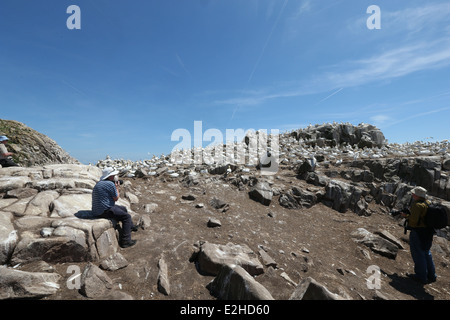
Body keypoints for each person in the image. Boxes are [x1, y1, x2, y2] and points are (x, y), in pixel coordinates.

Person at [91, 167, 137, 248]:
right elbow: (116, 198)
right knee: (127, 217)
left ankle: (130, 227)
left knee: (123, 208)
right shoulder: (110, 184)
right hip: (104, 211)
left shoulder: (99, 183)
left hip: (97, 209)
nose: (115, 176)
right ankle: (125, 241)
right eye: (113, 175)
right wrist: (117, 187)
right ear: (110, 176)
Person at [401, 186, 437, 284]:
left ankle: (421, 276)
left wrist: (406, 216)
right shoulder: (428, 203)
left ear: (417, 195)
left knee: (418, 253)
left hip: (418, 232)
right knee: (426, 252)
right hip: (428, 232)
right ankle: (431, 275)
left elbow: (413, 222)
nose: (412, 195)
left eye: (414, 194)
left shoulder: (417, 205)